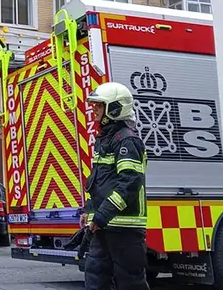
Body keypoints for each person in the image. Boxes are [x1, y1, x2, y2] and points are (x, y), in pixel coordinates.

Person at [80, 82, 149, 290]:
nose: (94, 110)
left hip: (124, 229)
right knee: (95, 280)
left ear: (115, 108)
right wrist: (89, 212)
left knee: (131, 283)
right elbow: (97, 183)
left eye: (99, 106)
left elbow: (129, 183)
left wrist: (102, 215)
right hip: (103, 226)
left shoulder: (127, 141)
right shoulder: (105, 140)